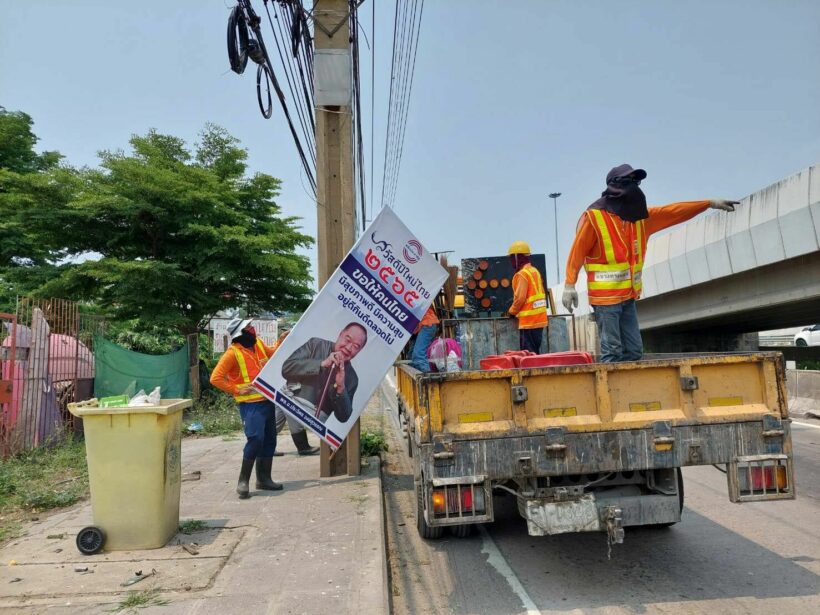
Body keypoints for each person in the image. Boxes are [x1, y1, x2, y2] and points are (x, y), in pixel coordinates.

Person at [562, 163, 738, 362]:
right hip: (605, 300)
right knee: (612, 351)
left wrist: (708, 203)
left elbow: (674, 212)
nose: (635, 188)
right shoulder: (595, 218)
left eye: (636, 183)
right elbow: (578, 250)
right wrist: (569, 284)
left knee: (635, 352)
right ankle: (609, 392)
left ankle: (629, 390)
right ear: (614, 187)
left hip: (628, 297)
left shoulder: (640, 218)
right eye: (630, 182)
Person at [210, 318, 282, 499]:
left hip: (267, 400)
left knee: (269, 440)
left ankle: (264, 479)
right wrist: (236, 389)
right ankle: (243, 481)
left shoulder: (257, 343)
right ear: (240, 334)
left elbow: (271, 353)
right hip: (250, 406)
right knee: (255, 439)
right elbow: (215, 378)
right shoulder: (232, 354)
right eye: (248, 328)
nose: (253, 329)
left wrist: (281, 340)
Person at [281, 323, 367, 423]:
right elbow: (286, 368)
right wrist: (321, 364)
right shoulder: (315, 344)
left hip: (314, 420)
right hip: (287, 400)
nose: (348, 348)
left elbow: (343, 417)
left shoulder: (352, 378)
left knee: (300, 435)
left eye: (356, 346)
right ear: (340, 334)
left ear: (360, 351)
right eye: (347, 340)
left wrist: (341, 388)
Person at [270, 328, 319, 456]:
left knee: (277, 421)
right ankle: (303, 447)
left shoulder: (297, 349)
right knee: (294, 417)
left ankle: (265, 448)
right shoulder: (288, 349)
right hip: (287, 389)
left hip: (283, 388)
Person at [506, 241, 548, 354]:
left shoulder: (522, 275)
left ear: (517, 257)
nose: (511, 261)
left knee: (528, 355)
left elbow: (520, 298)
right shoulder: (535, 271)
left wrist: (511, 312)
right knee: (534, 353)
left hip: (529, 322)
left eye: (511, 258)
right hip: (540, 320)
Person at [411, 305, 439, 372]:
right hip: (425, 324)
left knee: (418, 354)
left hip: (427, 324)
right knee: (411, 355)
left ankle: (427, 377)